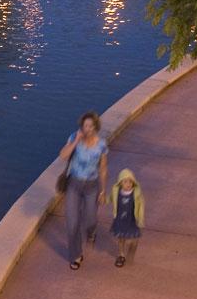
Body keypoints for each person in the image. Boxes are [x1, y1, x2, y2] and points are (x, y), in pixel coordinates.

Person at [59, 111, 109, 270]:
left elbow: (103, 168)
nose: (88, 129)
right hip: (74, 184)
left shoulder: (101, 144)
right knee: (72, 223)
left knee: (91, 219)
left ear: (96, 127)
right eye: (85, 126)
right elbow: (63, 156)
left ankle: (91, 232)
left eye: (91, 126)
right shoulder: (74, 137)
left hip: (92, 186)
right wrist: (76, 141)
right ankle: (76, 255)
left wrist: (103, 191)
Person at [109, 168, 144, 267]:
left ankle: (132, 249)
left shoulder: (136, 194)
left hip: (131, 220)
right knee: (121, 238)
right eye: (125, 182)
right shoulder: (117, 192)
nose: (128, 184)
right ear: (120, 183)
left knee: (133, 238)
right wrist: (104, 200)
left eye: (130, 182)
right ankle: (121, 255)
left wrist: (140, 218)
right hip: (120, 220)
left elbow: (141, 206)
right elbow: (111, 198)